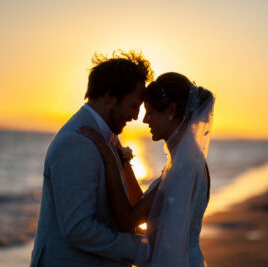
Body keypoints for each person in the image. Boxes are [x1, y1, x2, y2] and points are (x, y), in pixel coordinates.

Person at [30, 50, 154, 266]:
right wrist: (140, 250)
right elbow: (78, 228)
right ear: (109, 97)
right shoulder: (77, 141)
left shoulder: (107, 138)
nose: (135, 116)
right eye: (133, 105)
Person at [78, 72, 214, 266]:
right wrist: (123, 162)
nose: (145, 120)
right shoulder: (186, 162)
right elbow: (144, 208)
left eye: (150, 112)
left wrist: (109, 158)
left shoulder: (184, 168)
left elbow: (128, 221)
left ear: (172, 111)